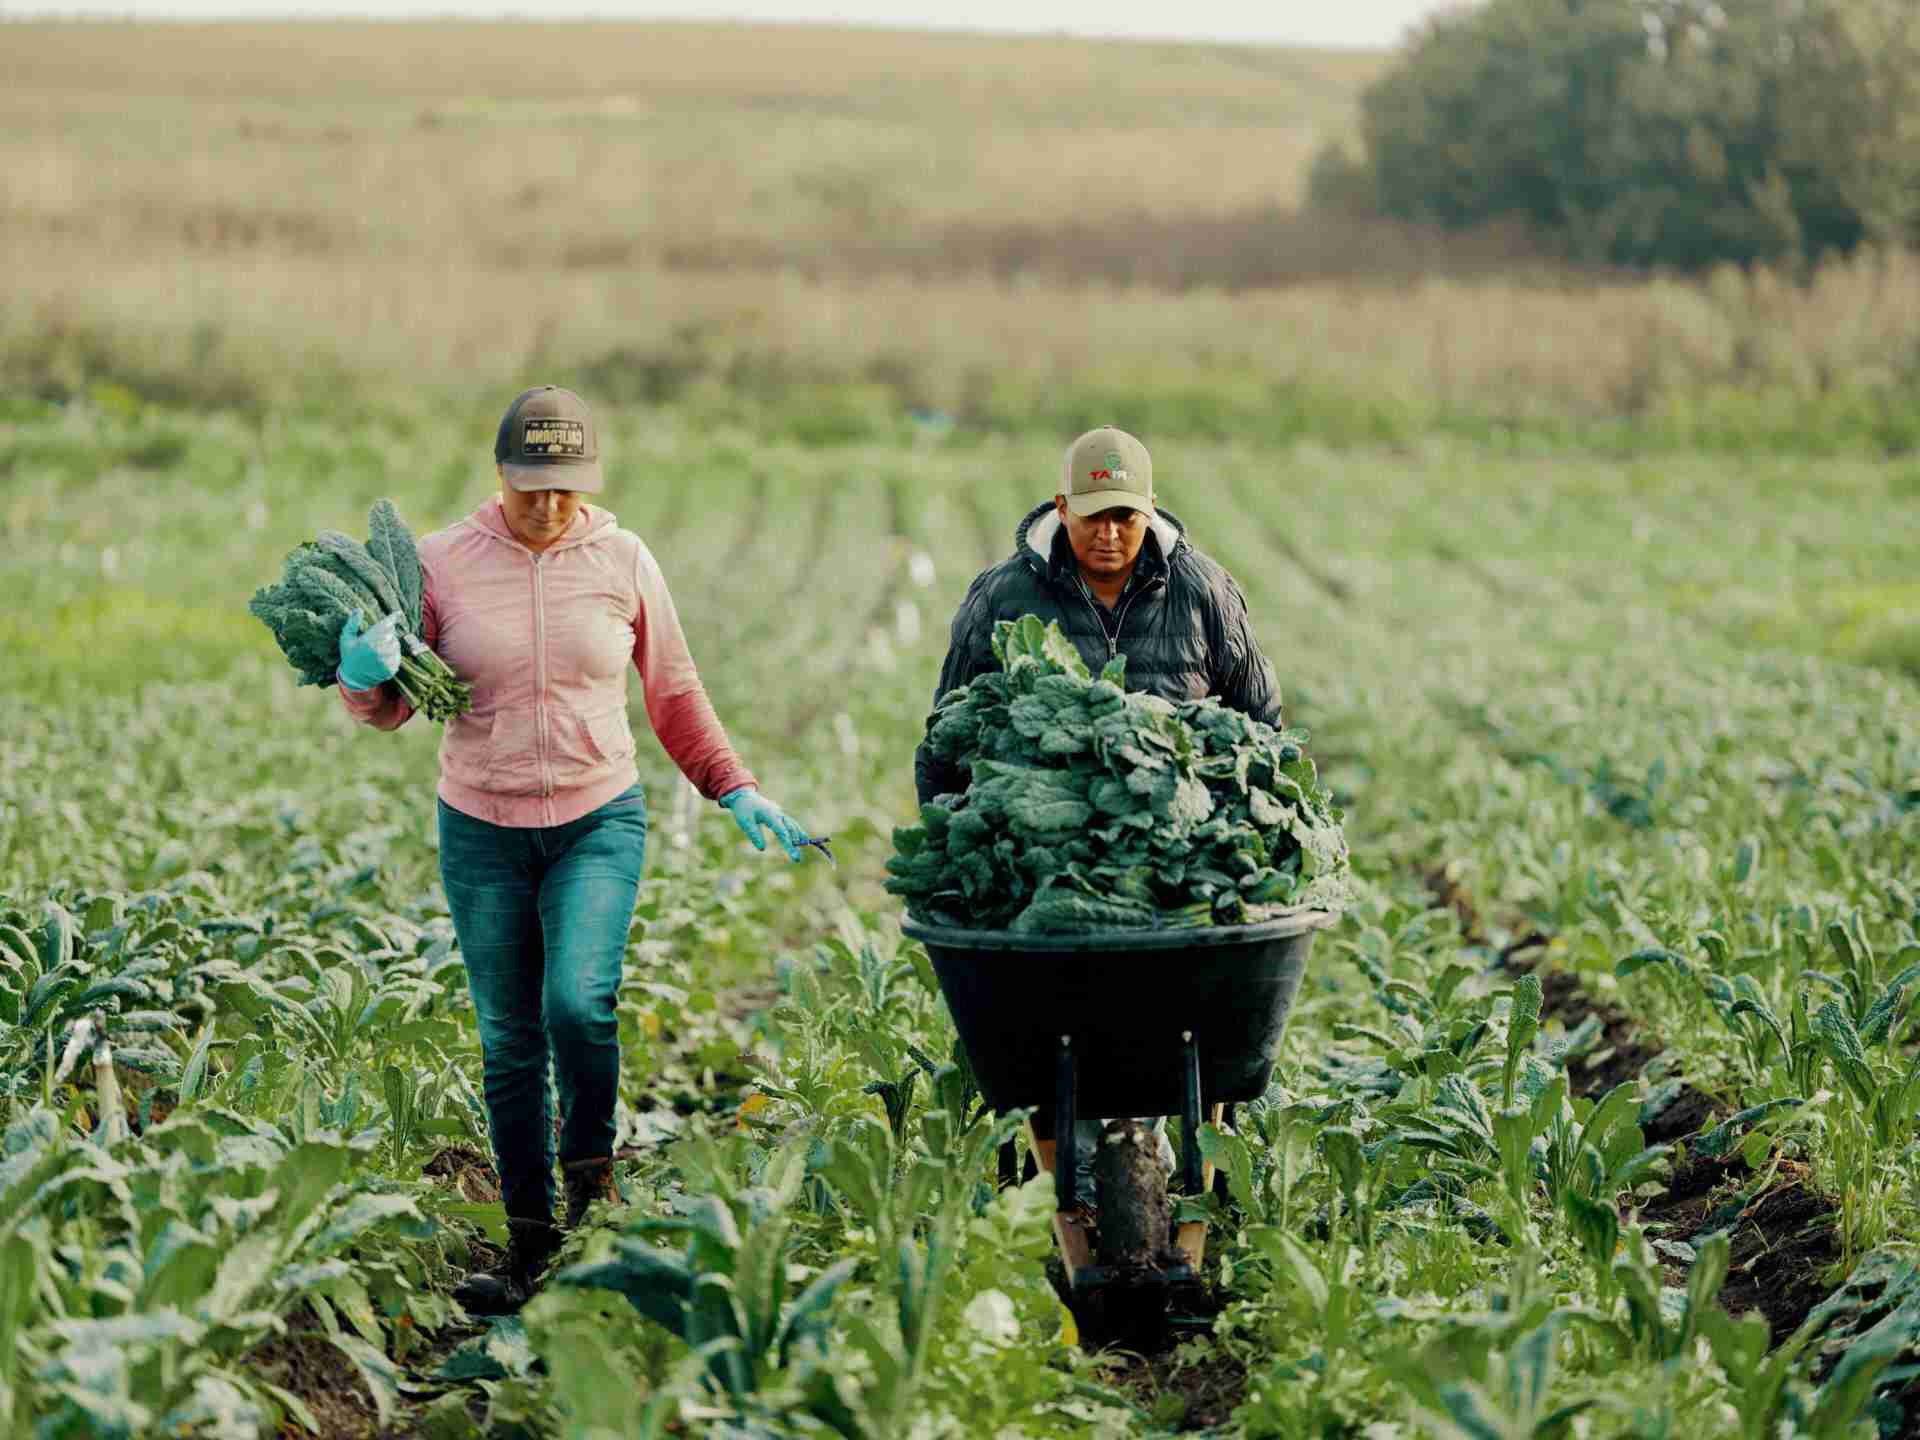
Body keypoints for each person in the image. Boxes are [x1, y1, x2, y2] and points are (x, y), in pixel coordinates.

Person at [337, 385, 811, 1313]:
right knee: (509, 1041)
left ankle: (593, 1191)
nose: (550, 506)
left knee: (578, 1004)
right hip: (481, 832)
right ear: (499, 474)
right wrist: (364, 675)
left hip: (599, 821)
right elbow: (392, 706)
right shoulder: (439, 563)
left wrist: (734, 785)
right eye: (531, 488)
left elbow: (673, 691)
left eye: (567, 487)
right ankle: (528, 1244)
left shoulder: (624, 559)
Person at [914, 424, 1282, 1192]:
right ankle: (1066, 1175)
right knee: (1046, 1023)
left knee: (1192, 1016)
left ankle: (1182, 1162)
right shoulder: (1004, 595)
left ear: (1149, 511)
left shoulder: (1203, 591)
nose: (1109, 534)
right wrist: (954, 848)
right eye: (1093, 517)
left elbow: (1260, 724)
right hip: (1045, 865)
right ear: (1062, 509)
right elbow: (949, 731)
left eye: (1125, 516)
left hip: (1178, 865)